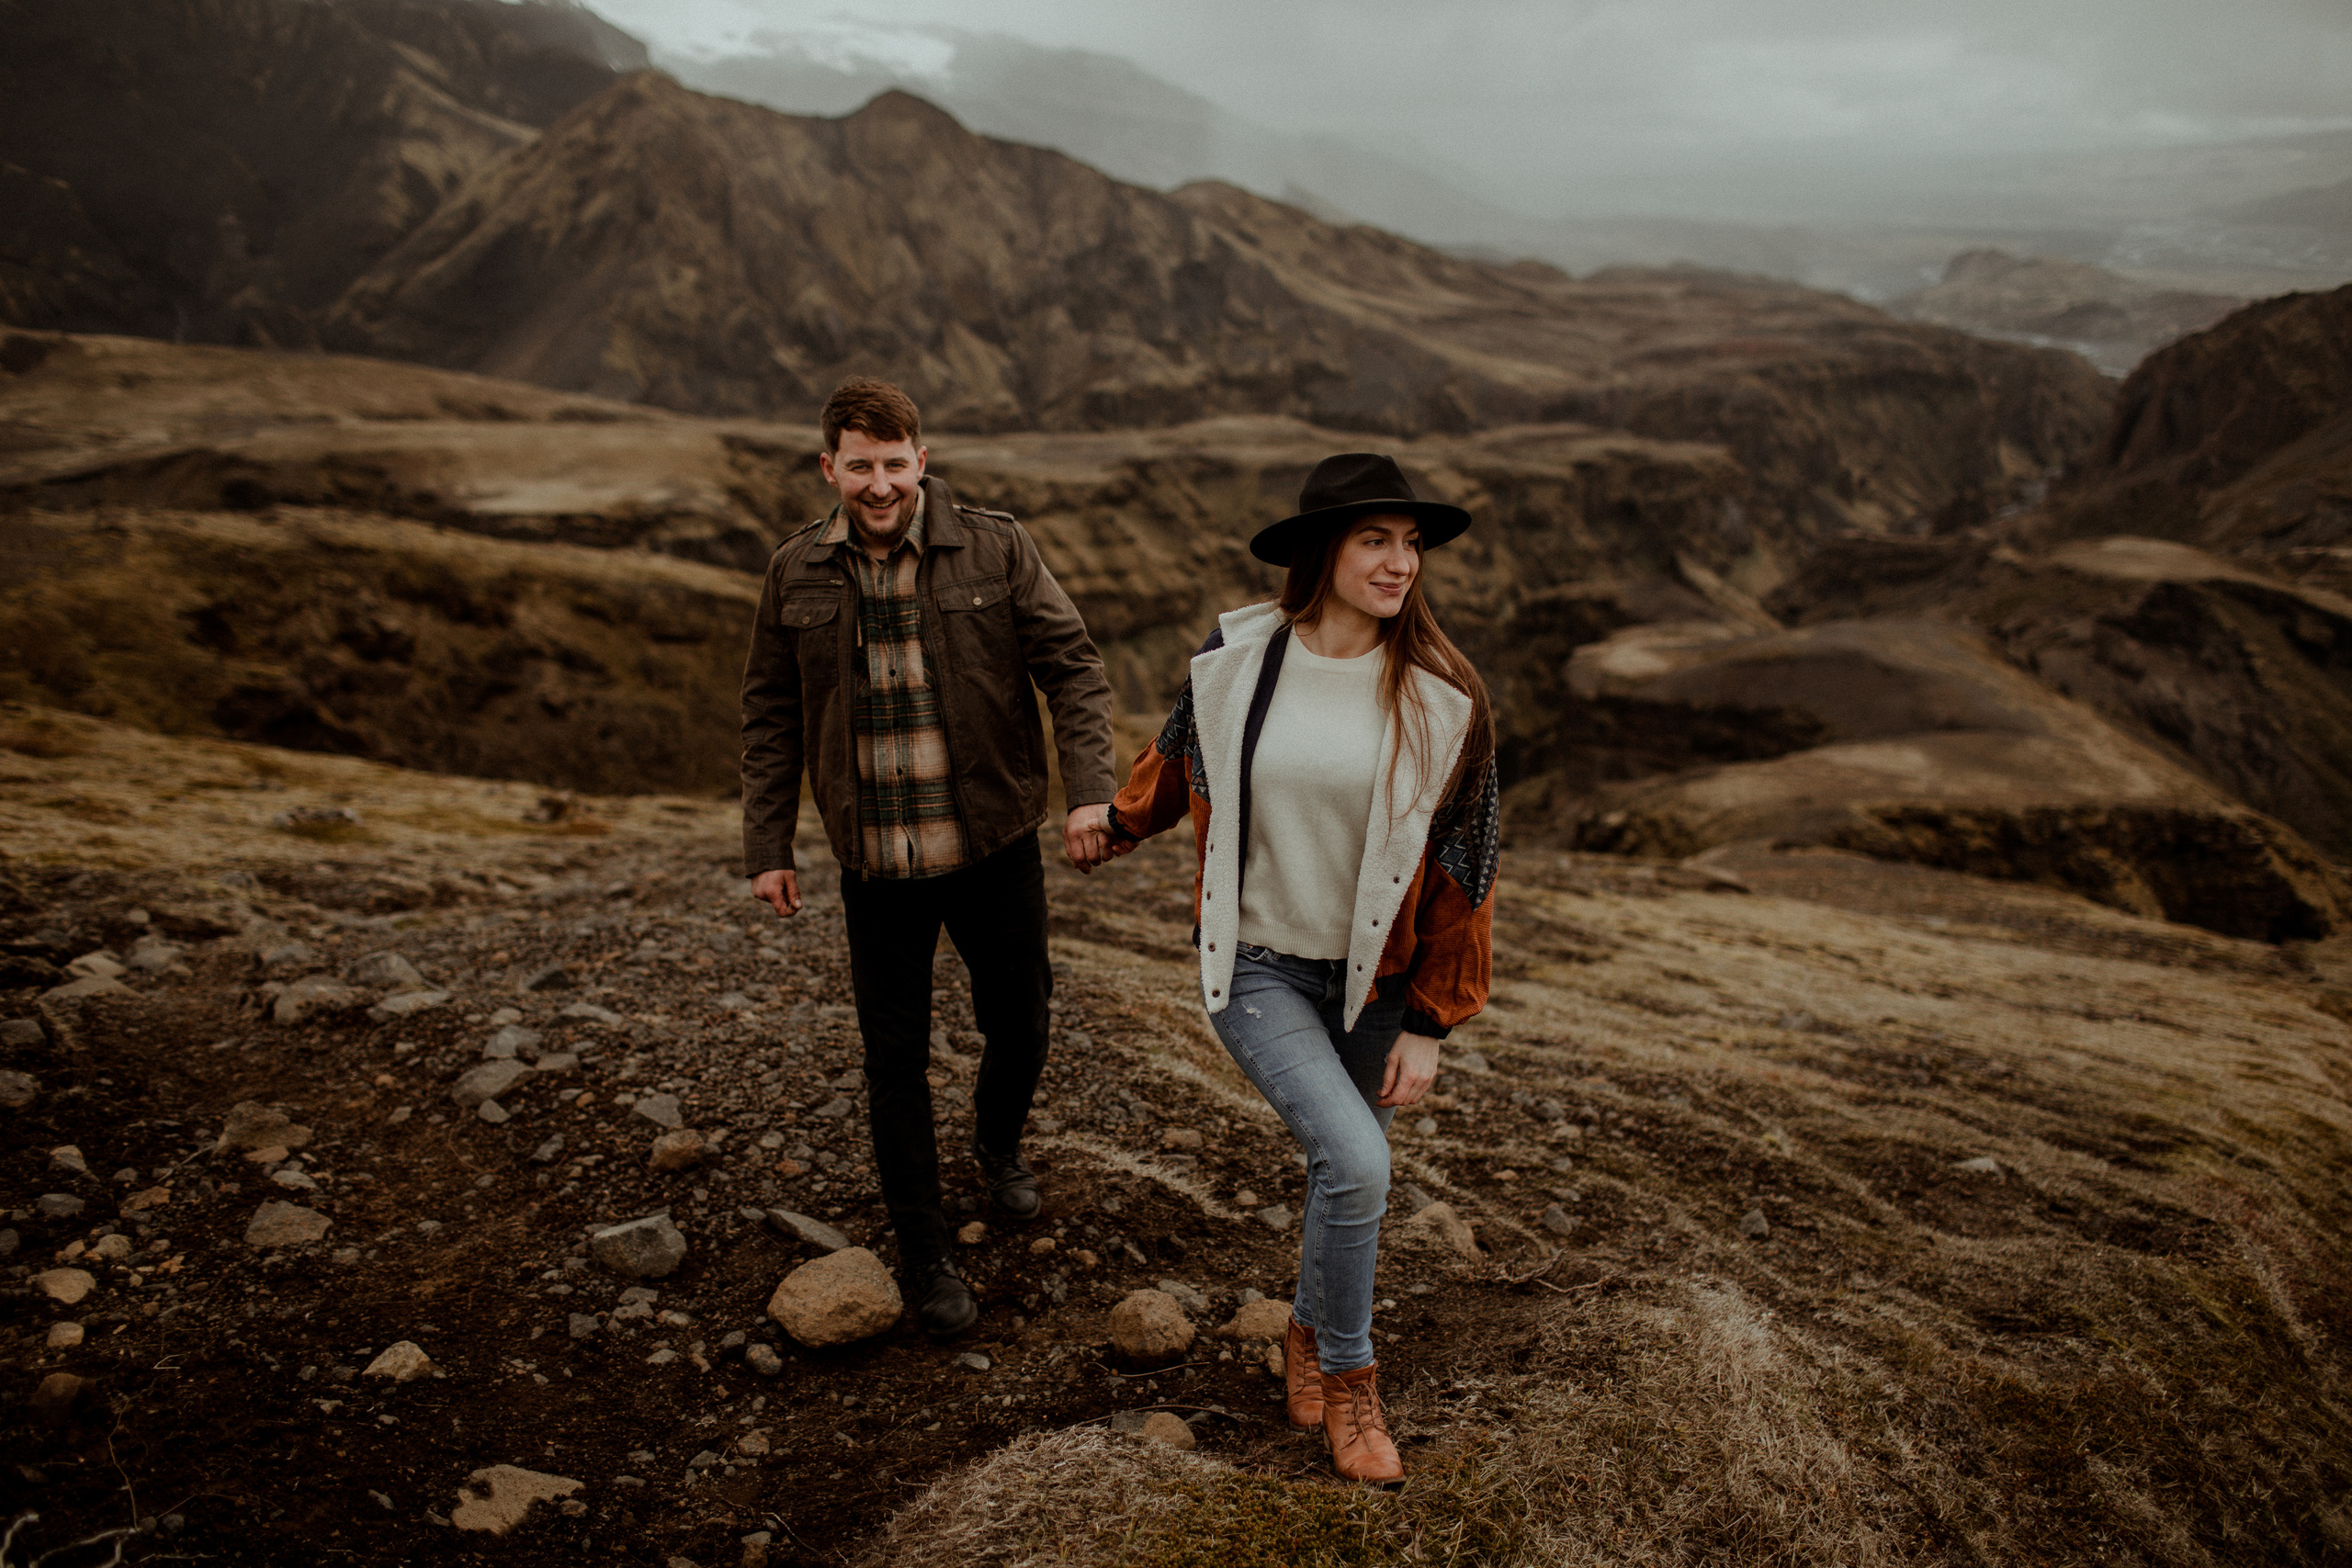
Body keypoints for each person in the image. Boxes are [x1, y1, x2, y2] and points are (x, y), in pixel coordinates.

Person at [1077, 452, 1498, 1483]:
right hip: (1258, 965)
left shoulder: (1445, 697)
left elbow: (1467, 867)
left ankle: (1307, 1334)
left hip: (1376, 981)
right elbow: (1181, 754)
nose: (1399, 563)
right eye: (1374, 540)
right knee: (1359, 1166)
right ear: (1320, 551)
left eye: (1411, 544)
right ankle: (1352, 1381)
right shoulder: (1238, 654)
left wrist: (1430, 1022)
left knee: (1340, 1172)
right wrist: (1118, 823)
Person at [740, 377, 1119, 1339]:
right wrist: (768, 846)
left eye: (893, 464)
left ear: (922, 459)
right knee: (893, 1060)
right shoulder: (794, 571)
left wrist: (1089, 790)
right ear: (829, 468)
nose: (878, 485)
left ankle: (996, 1143)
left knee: (1021, 1022)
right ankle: (924, 1248)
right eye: (858, 466)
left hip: (993, 845)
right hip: (876, 865)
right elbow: (771, 714)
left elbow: (1073, 667)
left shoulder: (996, 547)